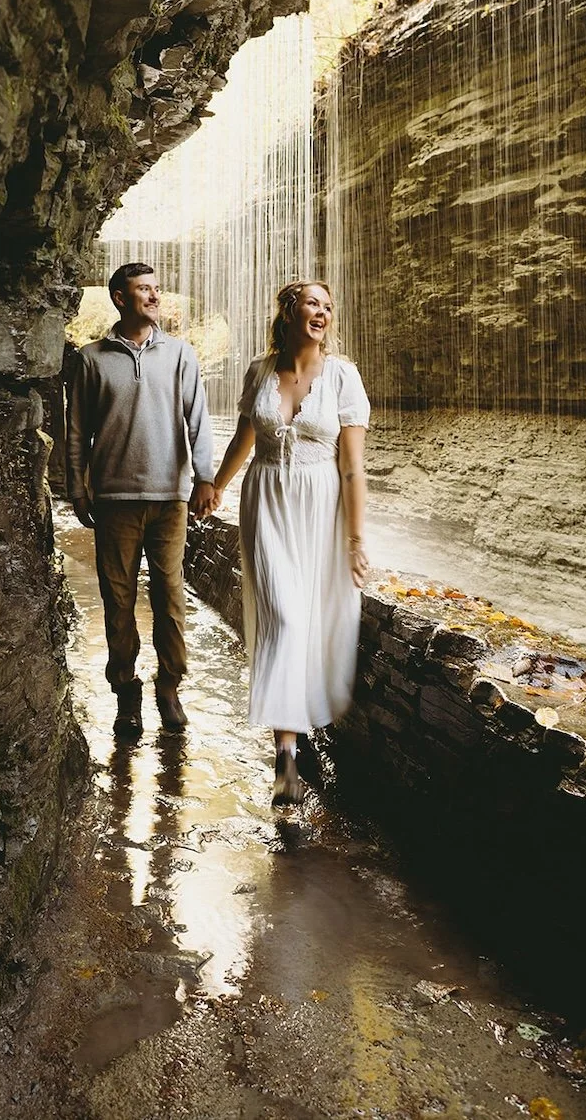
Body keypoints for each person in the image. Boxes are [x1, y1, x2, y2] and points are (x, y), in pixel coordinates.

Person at [210, 280, 369, 806]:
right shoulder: (261, 371)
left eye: (328, 306)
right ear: (290, 312)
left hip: (321, 506)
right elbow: (244, 438)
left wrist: (354, 539)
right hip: (266, 500)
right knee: (285, 617)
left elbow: (352, 468)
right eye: (312, 304)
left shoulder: (343, 376)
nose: (321, 312)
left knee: (313, 620)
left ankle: (295, 735)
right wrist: (216, 485)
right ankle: (286, 753)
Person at [66, 262, 216, 738]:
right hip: (114, 498)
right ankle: (125, 691)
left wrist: (207, 478)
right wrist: (77, 484)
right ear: (119, 297)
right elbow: (75, 431)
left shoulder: (181, 355)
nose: (154, 297)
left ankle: (169, 687)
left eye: (156, 289)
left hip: (170, 497)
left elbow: (199, 420)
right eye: (143, 290)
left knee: (170, 599)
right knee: (118, 601)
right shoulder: (91, 359)